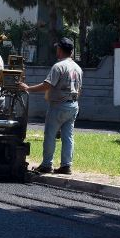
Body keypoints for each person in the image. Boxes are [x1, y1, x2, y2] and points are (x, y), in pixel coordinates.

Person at [19, 37, 83, 174]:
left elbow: (47, 85)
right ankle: (66, 165)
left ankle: (47, 164)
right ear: (71, 52)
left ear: (60, 50)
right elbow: (79, 90)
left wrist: (28, 88)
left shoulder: (58, 66)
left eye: (57, 48)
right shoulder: (78, 68)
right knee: (68, 136)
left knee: (50, 135)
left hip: (59, 105)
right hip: (73, 104)